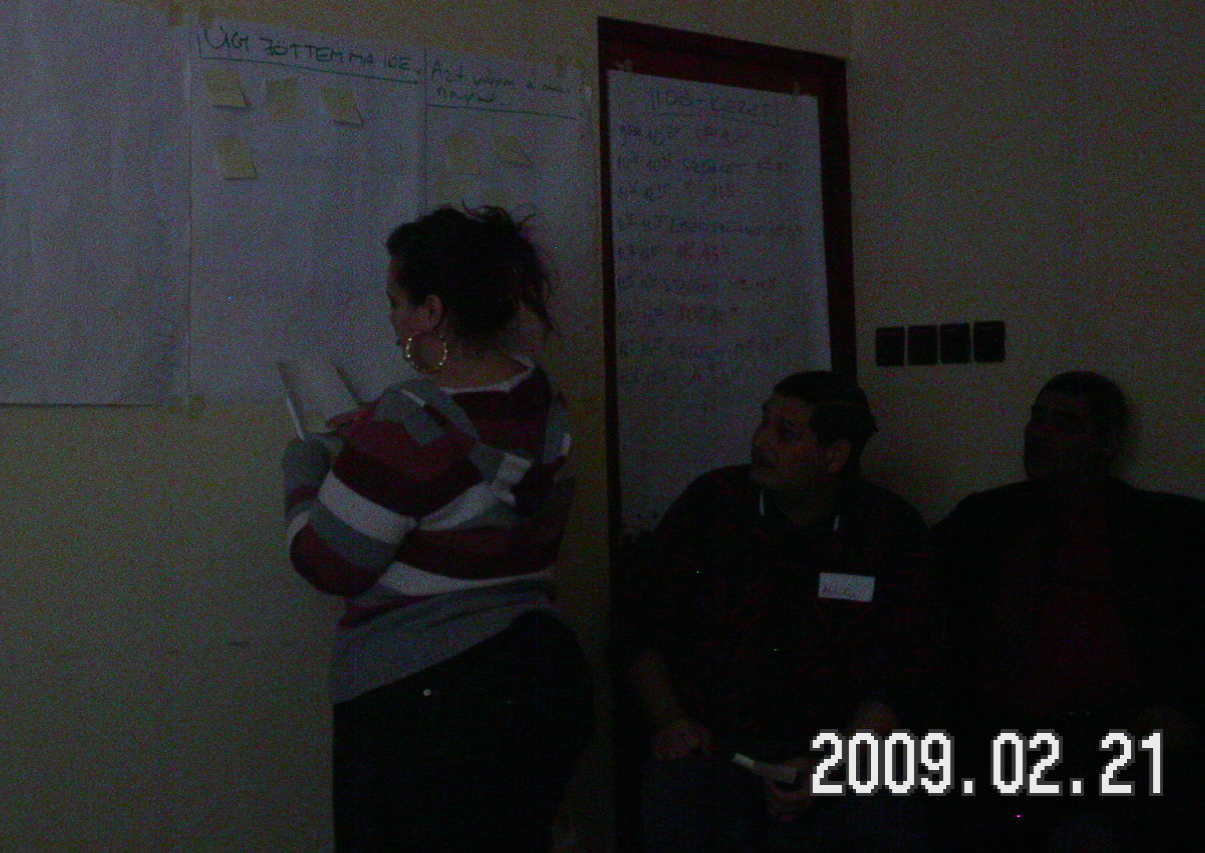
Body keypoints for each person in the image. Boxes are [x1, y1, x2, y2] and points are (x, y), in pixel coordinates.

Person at [282, 205, 593, 853]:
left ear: (431, 312)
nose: (393, 319)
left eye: (397, 303)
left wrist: (305, 470)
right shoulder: (545, 400)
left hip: (426, 698)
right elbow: (473, 477)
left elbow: (326, 562)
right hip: (539, 672)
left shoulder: (408, 421)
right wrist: (378, 442)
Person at [624, 371, 934, 853]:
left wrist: (834, 764)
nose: (761, 442)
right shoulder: (713, 505)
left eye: (785, 434)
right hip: (716, 741)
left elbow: (906, 671)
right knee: (680, 795)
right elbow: (641, 628)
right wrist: (670, 721)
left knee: (882, 803)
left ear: (834, 455)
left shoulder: (886, 529)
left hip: (842, 743)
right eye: (763, 423)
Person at [931, 371, 1205, 852]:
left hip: (1116, 733)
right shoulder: (983, 519)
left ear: (1107, 443)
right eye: (1036, 418)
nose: (1039, 434)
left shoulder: (1164, 530)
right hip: (998, 733)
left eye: (1064, 424)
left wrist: (1182, 709)